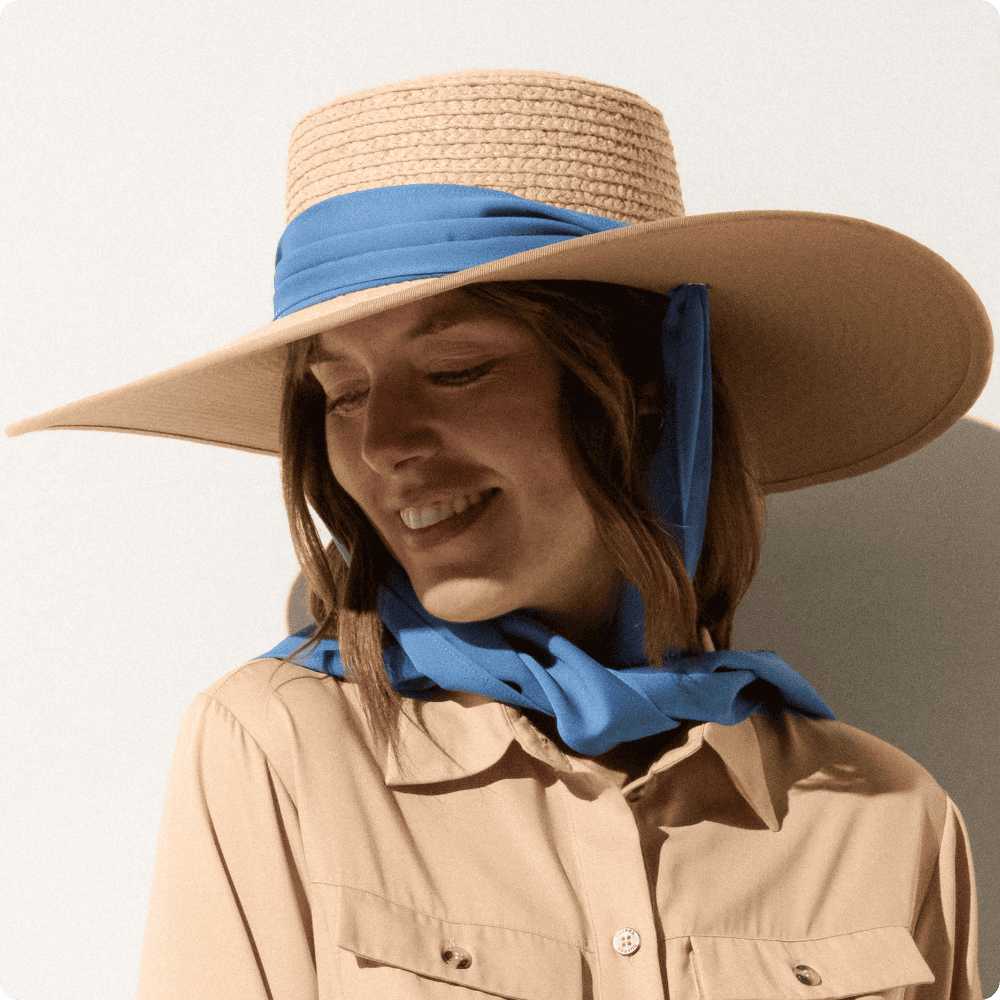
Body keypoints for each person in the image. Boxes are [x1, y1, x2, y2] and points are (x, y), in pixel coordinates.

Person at [5, 68, 988, 999]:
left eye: (456, 370)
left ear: (643, 386)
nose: (382, 443)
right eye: (341, 393)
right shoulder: (279, 749)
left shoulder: (887, 819)